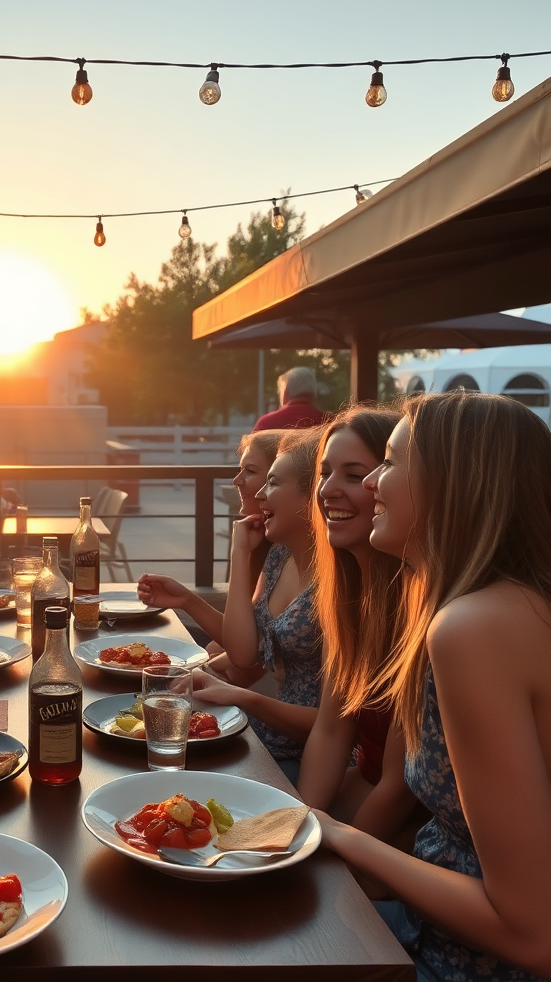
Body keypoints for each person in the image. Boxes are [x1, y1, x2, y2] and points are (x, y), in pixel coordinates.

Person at [318, 393, 551, 981]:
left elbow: (532, 933)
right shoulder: (507, 607)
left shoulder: (473, 628)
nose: (372, 482)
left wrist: (337, 838)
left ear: (453, 484)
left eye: (390, 462)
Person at [296, 408, 419, 835]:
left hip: (407, 837)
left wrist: (330, 872)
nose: (328, 490)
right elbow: (331, 732)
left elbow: (399, 786)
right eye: (325, 472)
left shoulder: (421, 607)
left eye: (354, 475)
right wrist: (291, 831)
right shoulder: (347, 599)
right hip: (361, 808)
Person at [194, 426, 326, 783]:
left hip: (304, 757)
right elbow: (242, 652)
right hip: (266, 738)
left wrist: (237, 694)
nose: (258, 493)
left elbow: (243, 666)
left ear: (311, 494)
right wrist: (240, 552)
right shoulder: (280, 555)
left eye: (269, 481)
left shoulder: (340, 585)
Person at [136, 429, 284, 681]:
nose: (236, 480)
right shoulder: (270, 545)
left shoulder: (287, 554)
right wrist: (185, 599)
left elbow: (245, 662)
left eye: (249, 471)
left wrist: (207, 666)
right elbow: (240, 641)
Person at [253, 366, 327, 430]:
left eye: (280, 391)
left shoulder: (266, 423)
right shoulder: (329, 422)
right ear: (314, 394)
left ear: (285, 393)